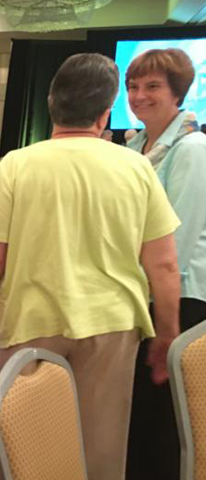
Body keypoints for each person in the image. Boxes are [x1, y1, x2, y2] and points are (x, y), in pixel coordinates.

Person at [0, 53, 181, 480]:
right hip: (111, 323)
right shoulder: (136, 168)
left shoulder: (17, 165)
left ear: (52, 105)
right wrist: (167, 334)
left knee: (32, 443)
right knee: (103, 443)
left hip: (31, 320)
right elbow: (164, 265)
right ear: (106, 112)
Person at [124, 48, 206, 480]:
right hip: (147, 289)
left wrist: (165, 323)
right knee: (141, 408)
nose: (139, 95)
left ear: (178, 93)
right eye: (134, 86)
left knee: (165, 415)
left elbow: (178, 239)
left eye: (153, 86)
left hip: (181, 296)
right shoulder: (136, 145)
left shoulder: (191, 148)